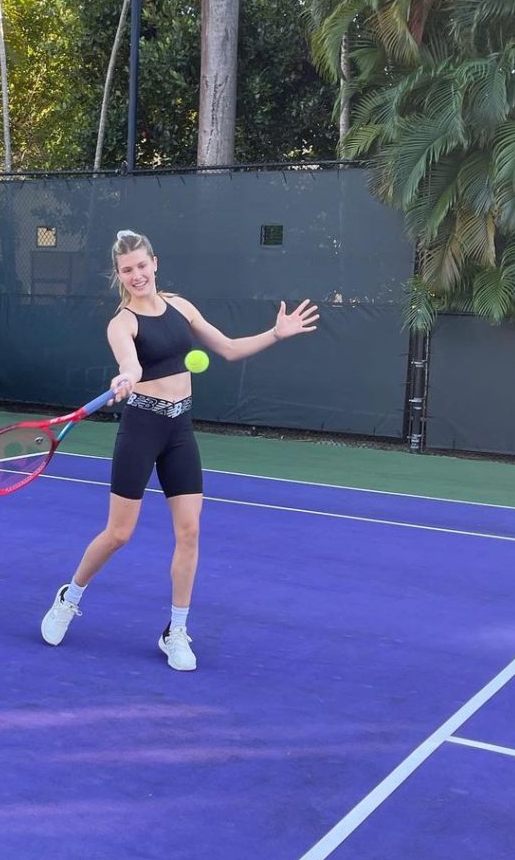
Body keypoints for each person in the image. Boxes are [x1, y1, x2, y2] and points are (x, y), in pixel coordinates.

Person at [40, 229, 319, 671]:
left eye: (141, 265)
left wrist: (276, 333)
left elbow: (228, 349)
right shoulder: (122, 323)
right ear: (118, 274)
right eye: (127, 269)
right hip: (142, 427)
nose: (136, 274)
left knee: (189, 532)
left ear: (155, 263)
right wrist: (125, 376)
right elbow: (129, 362)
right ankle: (69, 596)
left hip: (179, 430)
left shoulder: (182, 307)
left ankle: (176, 630)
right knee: (119, 534)